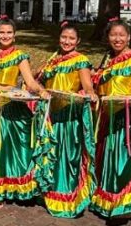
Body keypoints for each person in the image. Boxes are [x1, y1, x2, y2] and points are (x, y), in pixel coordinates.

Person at [0, 15, 49, 209]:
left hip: (9, 105)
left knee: (5, 150)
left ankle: (3, 189)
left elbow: (30, 81)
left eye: (9, 32)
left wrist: (41, 91)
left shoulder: (20, 56)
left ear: (14, 35)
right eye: (2, 32)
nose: (5, 36)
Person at [89, 19, 131, 218]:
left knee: (122, 159)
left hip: (126, 118)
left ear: (129, 37)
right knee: (107, 159)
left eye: (121, 35)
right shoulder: (107, 59)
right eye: (113, 35)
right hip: (106, 117)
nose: (117, 39)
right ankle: (108, 200)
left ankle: (125, 203)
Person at [34, 21, 97, 218]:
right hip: (51, 116)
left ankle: (67, 197)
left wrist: (90, 93)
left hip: (70, 118)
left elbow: (87, 85)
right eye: (64, 37)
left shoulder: (81, 60)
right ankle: (49, 192)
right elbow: (39, 80)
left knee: (68, 156)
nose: (67, 41)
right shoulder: (52, 60)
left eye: (71, 38)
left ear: (77, 41)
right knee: (51, 154)